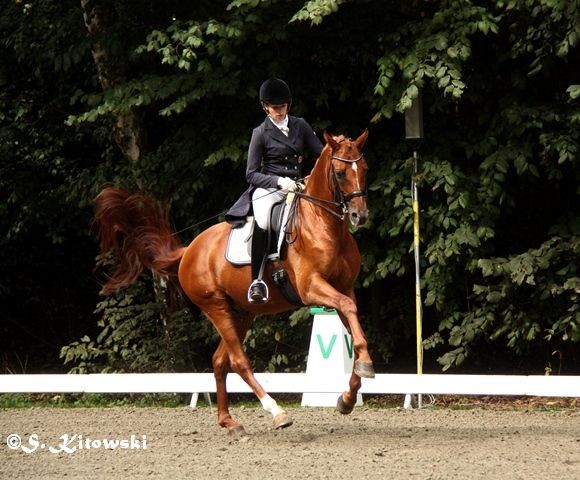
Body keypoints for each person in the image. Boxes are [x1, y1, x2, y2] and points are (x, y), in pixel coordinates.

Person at [226, 78, 323, 304]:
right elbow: (251, 174)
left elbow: (322, 153)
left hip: (299, 186)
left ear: (288, 105)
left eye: (283, 106)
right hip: (270, 188)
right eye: (275, 107)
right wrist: (279, 181)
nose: (280, 111)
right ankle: (256, 280)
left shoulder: (301, 125)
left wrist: (311, 175)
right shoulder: (260, 133)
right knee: (263, 219)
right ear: (265, 107)